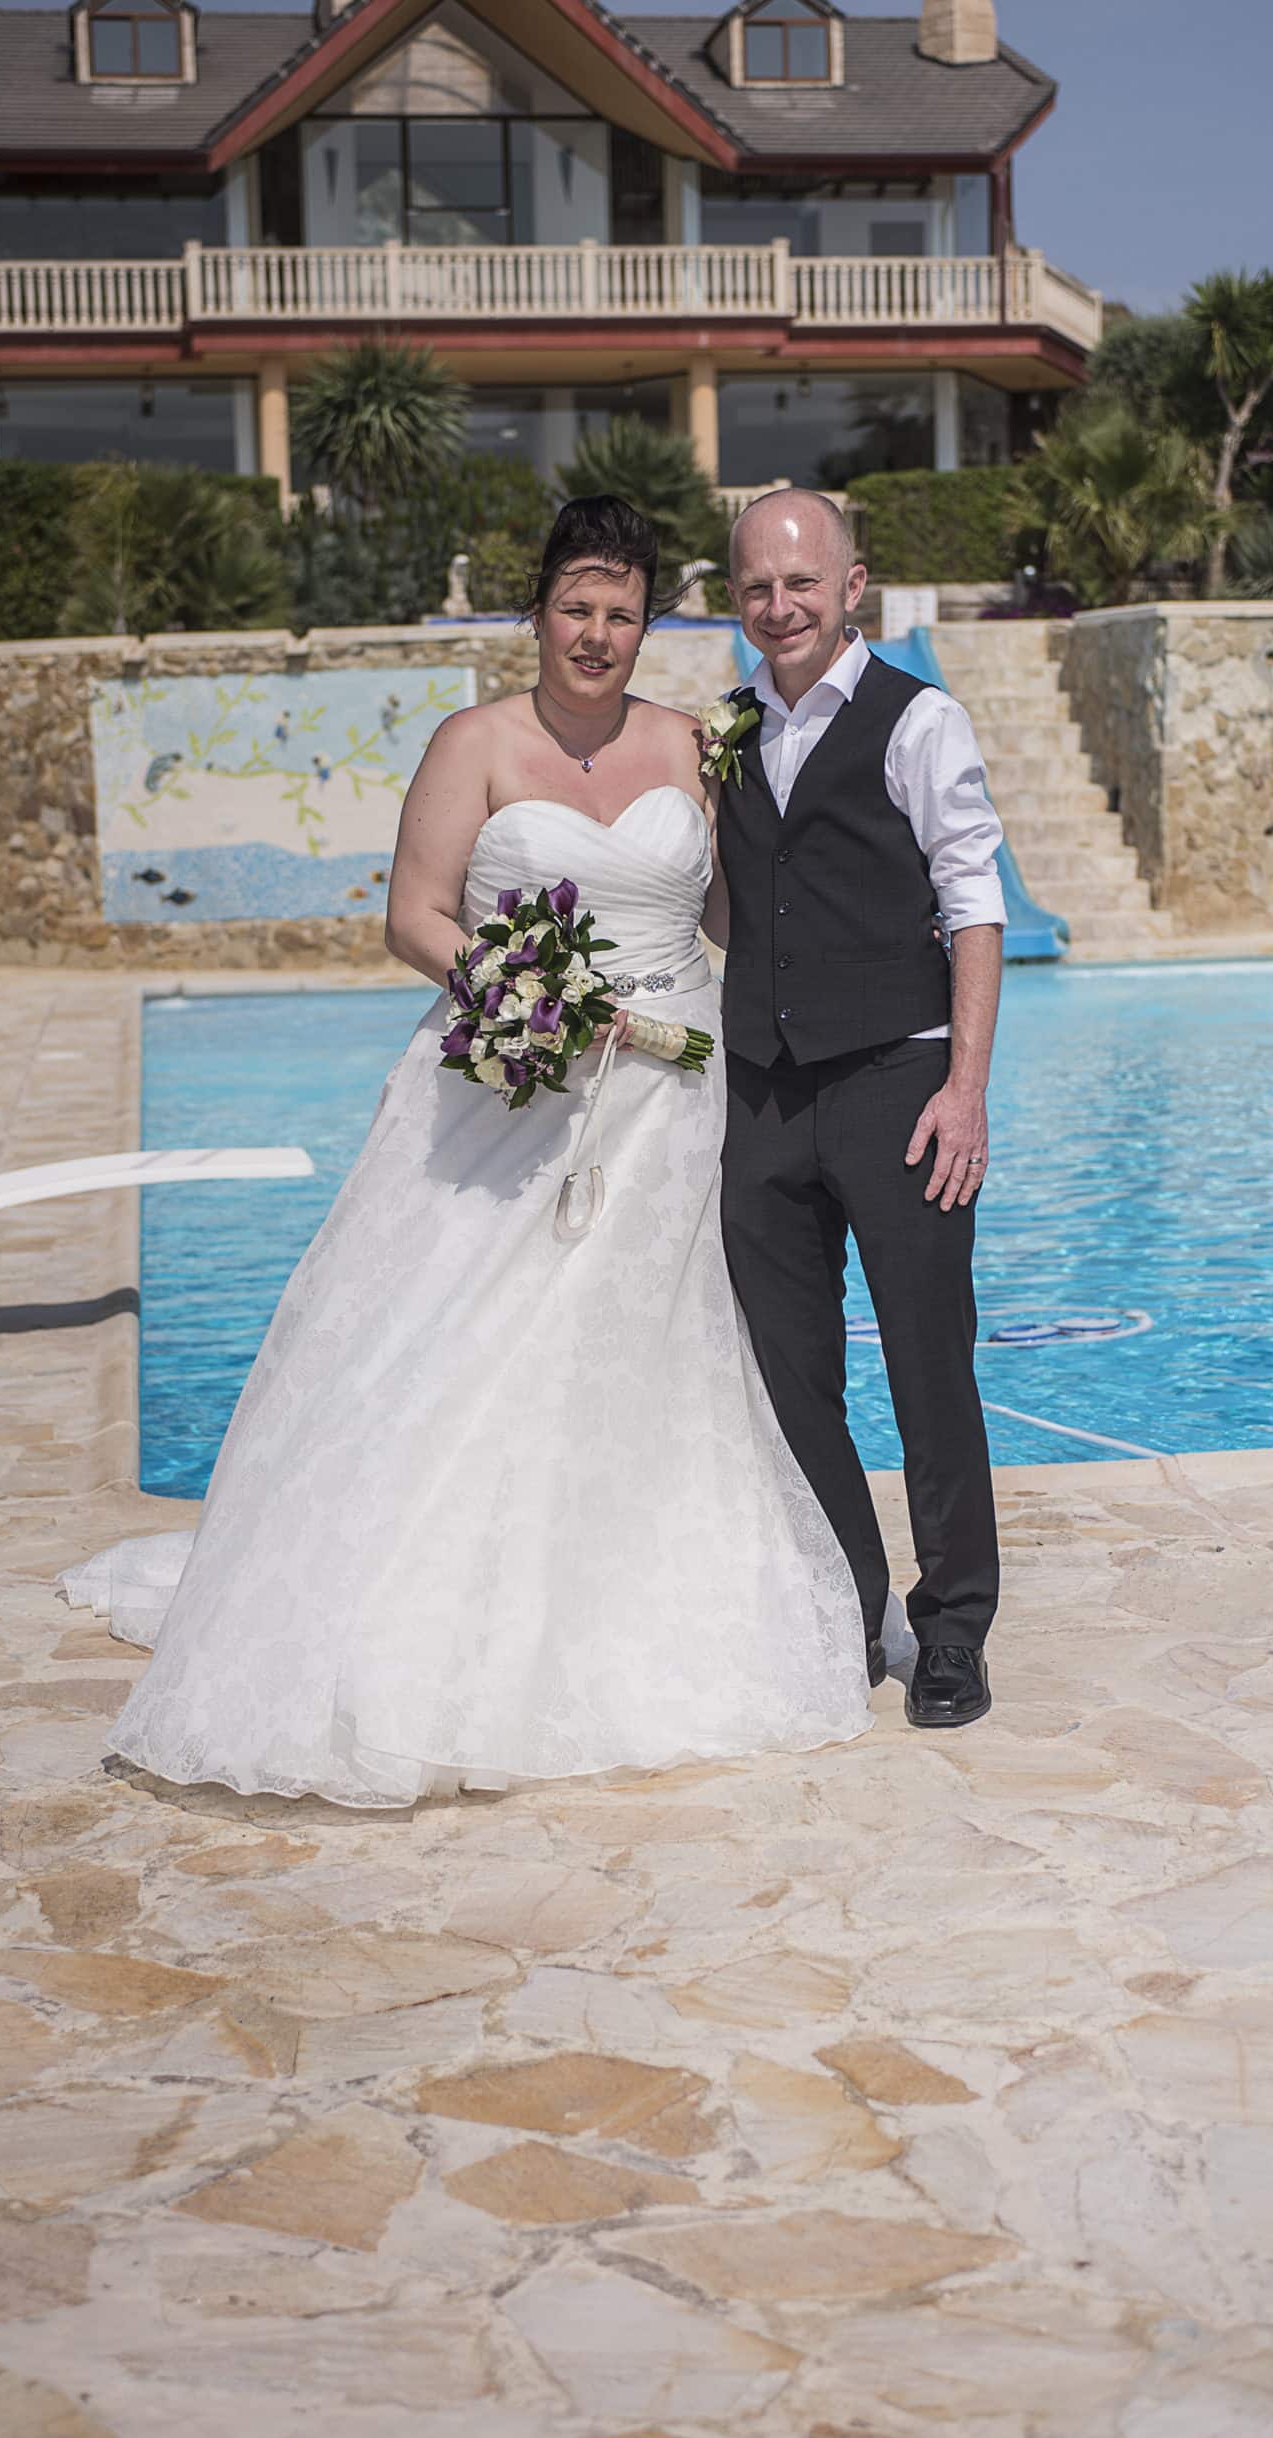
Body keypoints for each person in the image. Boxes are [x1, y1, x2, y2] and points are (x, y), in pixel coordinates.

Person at [59, 495, 872, 1808]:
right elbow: (412, 917)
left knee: (646, 1349)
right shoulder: (473, 743)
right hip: (513, 1089)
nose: (596, 636)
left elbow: (735, 908)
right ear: (536, 610)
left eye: (621, 614)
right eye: (574, 609)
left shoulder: (692, 742)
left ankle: (631, 1608)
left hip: (673, 1103)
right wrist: (530, 991)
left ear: (645, 620)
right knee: (459, 1342)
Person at [713, 490, 1004, 1730]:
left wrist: (964, 1091)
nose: (779, 607)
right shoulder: (722, 730)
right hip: (764, 1092)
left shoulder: (916, 720)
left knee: (928, 1366)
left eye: (801, 584)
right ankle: (847, 1603)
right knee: (791, 1381)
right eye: (755, 588)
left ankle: (952, 1631)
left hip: (899, 1079)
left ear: (852, 587)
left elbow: (973, 903)